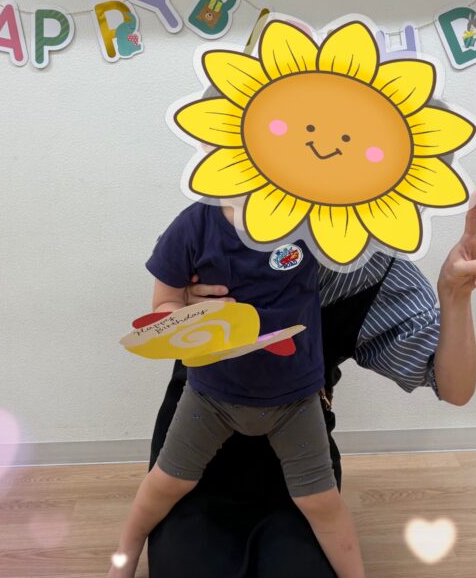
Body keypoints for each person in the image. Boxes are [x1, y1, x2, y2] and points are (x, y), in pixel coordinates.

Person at [144, 189, 476, 577]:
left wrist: (454, 295)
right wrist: (184, 310)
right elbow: (162, 308)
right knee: (185, 567)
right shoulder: (214, 222)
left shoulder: (372, 269)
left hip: (299, 446)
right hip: (195, 434)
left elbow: (455, 388)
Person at [109, 198, 368, 578]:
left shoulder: (308, 219)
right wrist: (188, 315)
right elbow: (164, 304)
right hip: (210, 396)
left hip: (295, 401)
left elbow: (355, 221)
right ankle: (124, 555)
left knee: (320, 501)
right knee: (166, 483)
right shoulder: (195, 225)